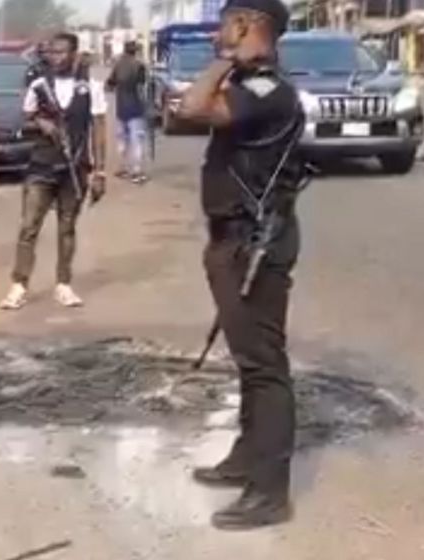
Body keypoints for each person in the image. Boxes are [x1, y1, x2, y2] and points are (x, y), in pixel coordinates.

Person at [177, 0, 307, 530]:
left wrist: (225, 58)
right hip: (234, 240)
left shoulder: (267, 90)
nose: (218, 32)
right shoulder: (252, 85)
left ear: (246, 25)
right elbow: (187, 113)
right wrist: (232, 61)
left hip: (254, 246)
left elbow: (191, 107)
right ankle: (247, 456)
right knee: (249, 360)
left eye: (226, 23)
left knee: (264, 366)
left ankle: (270, 491)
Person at [0, 32, 107, 310]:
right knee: (28, 227)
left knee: (67, 228)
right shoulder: (39, 85)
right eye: (52, 52)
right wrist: (41, 123)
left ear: (74, 54)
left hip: (74, 169)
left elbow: (99, 129)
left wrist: (100, 172)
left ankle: (63, 284)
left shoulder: (90, 87)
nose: (55, 58)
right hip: (41, 166)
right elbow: (26, 118)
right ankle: (19, 285)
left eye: (61, 52)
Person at [106, 41, 150, 184]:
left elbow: (109, 84)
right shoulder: (139, 66)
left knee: (122, 140)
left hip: (121, 108)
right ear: (135, 51)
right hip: (135, 107)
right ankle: (136, 171)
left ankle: (123, 168)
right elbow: (143, 86)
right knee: (137, 141)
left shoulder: (118, 65)